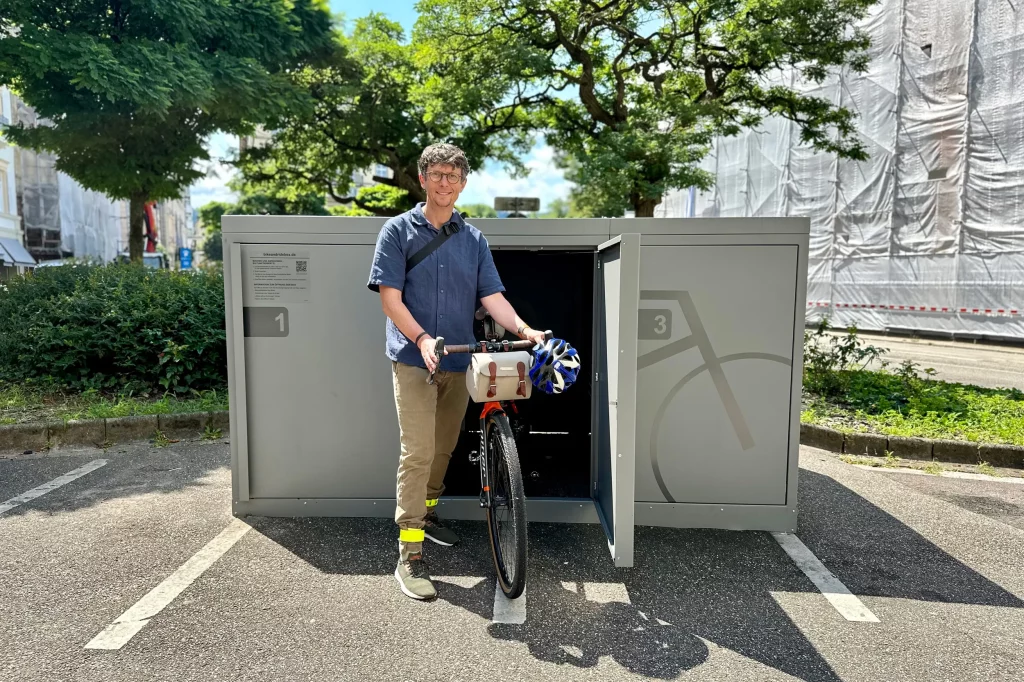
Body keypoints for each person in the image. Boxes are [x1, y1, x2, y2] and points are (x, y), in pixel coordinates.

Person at [367, 142, 547, 600]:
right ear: (423, 180)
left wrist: (525, 327)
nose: (445, 182)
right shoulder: (397, 232)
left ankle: (426, 515)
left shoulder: (474, 239)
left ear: (463, 184)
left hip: (459, 361)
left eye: (454, 176)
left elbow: (492, 298)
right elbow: (391, 299)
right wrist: (423, 339)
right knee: (419, 450)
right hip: (413, 359)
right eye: (437, 175)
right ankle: (409, 552)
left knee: (444, 448)